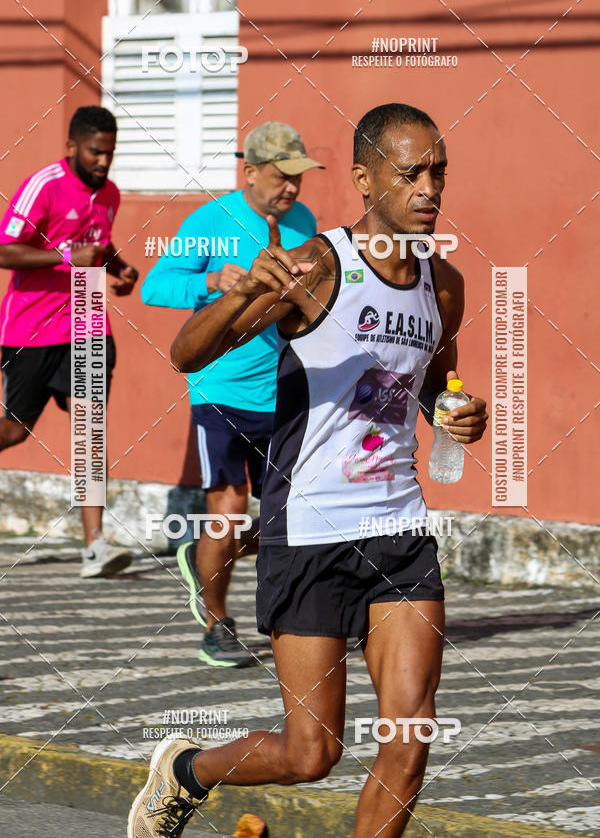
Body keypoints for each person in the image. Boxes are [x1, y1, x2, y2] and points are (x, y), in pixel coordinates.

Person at [128, 103, 488, 837]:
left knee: (410, 734)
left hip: (400, 529)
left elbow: (435, 382)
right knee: (311, 751)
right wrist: (242, 291)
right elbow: (186, 354)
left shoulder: (443, 284)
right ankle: (186, 769)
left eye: (438, 173)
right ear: (364, 179)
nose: (430, 189)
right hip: (310, 528)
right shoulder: (316, 266)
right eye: (410, 172)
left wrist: (458, 413)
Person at [141, 122, 324, 668]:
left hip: (284, 389)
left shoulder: (305, 222)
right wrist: (212, 283)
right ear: (249, 173)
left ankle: (204, 562)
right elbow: (155, 285)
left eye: (298, 178)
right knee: (227, 511)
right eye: (281, 177)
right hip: (220, 387)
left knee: (285, 519)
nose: (292, 188)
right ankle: (217, 623)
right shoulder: (209, 223)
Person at [0, 106, 139, 579]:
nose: (103, 161)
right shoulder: (45, 185)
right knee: (15, 431)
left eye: (110, 153)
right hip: (30, 331)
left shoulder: (111, 194)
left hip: (87, 324)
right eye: (95, 152)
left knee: (89, 433)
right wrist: (65, 256)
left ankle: (94, 546)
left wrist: (120, 269)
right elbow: (5, 249)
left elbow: (99, 244)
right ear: (71, 147)